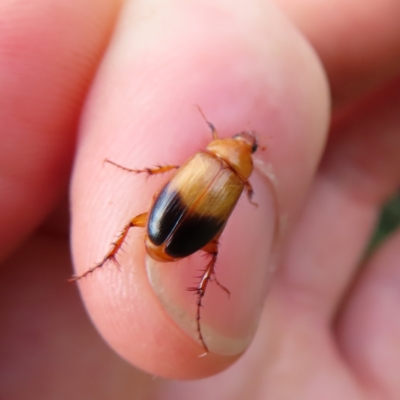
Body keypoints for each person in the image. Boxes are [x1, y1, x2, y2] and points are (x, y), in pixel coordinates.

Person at [1, 0, 399, 398]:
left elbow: (162, 172)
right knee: (210, 248)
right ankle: (177, 292)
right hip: (175, 239)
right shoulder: (239, 182)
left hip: (161, 231)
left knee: (145, 220)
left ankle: (113, 265)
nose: (244, 140)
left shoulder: (205, 159)